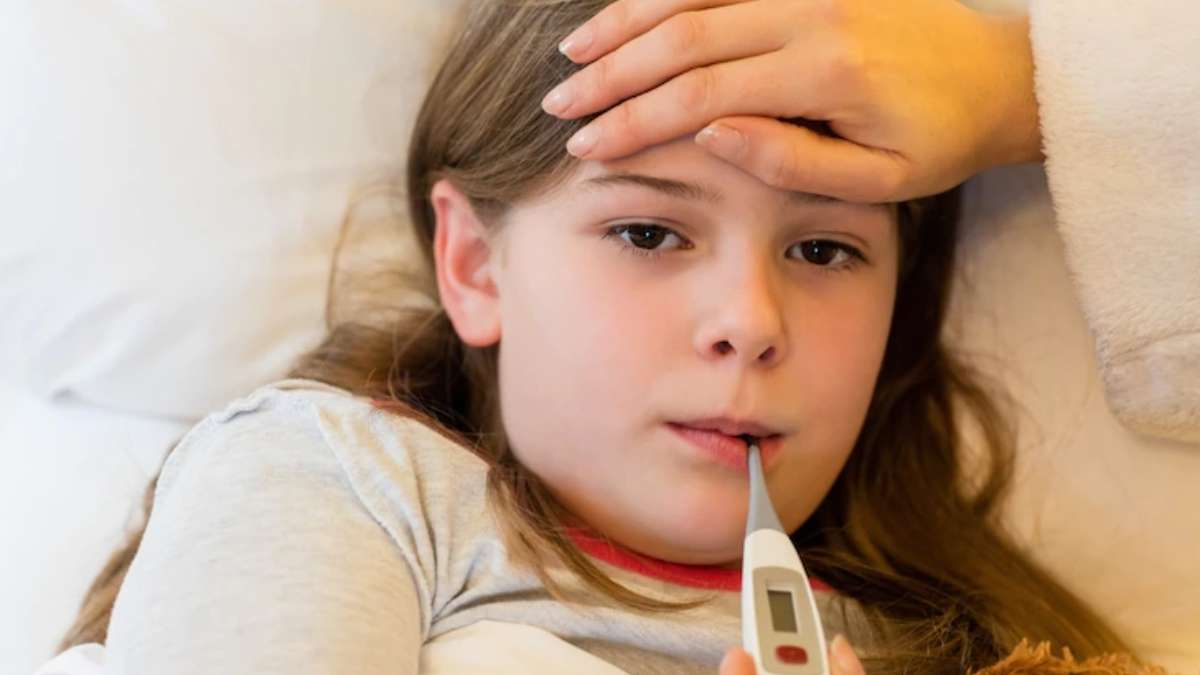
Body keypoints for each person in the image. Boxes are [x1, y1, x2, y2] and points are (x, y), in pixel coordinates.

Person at [46, 1, 1142, 674]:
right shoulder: (343, 480)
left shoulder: (951, 641)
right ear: (476, 264)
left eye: (822, 253)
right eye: (650, 231)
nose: (751, 325)